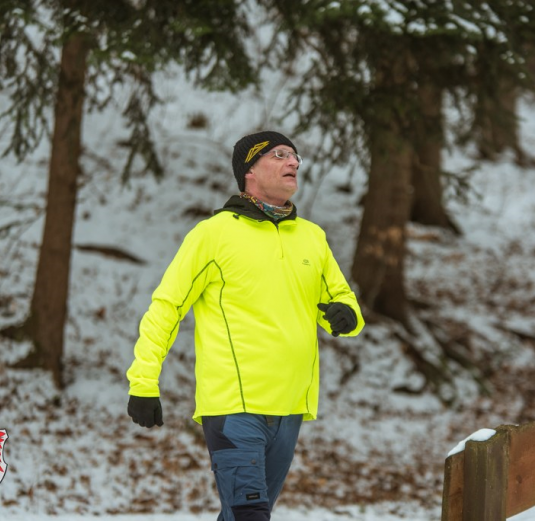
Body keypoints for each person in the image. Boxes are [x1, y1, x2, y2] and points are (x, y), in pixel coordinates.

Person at [126, 130, 364, 521]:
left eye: (296, 156)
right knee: (251, 514)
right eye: (281, 155)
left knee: (243, 514)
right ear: (249, 170)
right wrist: (144, 381)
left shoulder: (312, 237)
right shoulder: (213, 235)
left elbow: (342, 300)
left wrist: (347, 316)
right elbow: (167, 307)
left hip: (290, 409)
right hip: (235, 408)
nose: (294, 163)